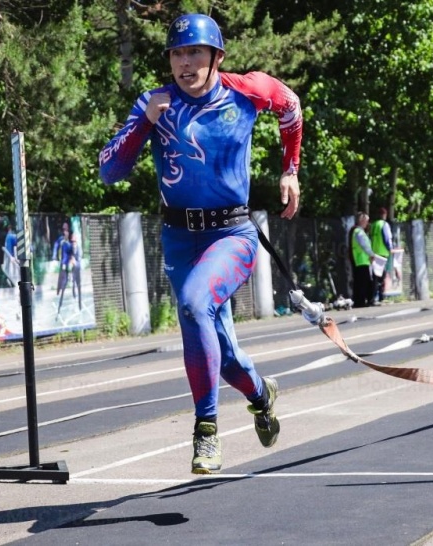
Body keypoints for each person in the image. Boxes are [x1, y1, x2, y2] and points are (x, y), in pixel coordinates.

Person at [98, 13, 302, 474]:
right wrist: (145, 121)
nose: (185, 63)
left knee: (193, 304)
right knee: (225, 356)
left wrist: (290, 170)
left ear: (217, 57)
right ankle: (260, 394)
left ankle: (206, 431)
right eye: (177, 53)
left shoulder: (247, 91)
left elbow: (291, 107)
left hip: (232, 233)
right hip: (179, 238)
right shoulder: (155, 102)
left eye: (195, 53)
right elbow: (109, 171)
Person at [349, 212, 379, 308]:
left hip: (362, 260)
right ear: (361, 221)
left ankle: (359, 301)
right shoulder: (359, 232)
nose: (367, 223)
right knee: (362, 282)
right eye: (366, 221)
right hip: (361, 260)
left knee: (360, 282)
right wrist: (371, 254)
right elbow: (364, 245)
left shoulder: (359, 231)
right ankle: (360, 301)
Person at [370, 206, 393, 301]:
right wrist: (390, 248)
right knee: (382, 275)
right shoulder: (384, 225)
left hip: (374, 253)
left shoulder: (373, 225)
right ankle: (381, 296)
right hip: (383, 253)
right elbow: (387, 239)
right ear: (384, 215)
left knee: (375, 276)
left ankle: (373, 296)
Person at [52, 222, 70, 296]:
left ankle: (62, 288)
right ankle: (60, 290)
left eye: (66, 229)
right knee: (63, 275)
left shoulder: (70, 238)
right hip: (64, 261)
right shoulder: (61, 239)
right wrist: (54, 256)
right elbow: (56, 246)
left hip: (69, 260)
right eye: (63, 229)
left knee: (66, 274)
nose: (65, 231)